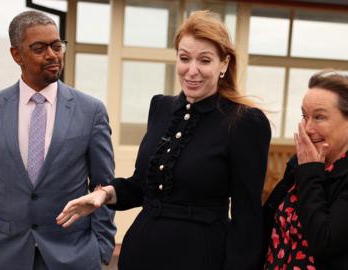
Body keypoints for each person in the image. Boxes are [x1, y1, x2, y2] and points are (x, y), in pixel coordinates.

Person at [56, 10, 271, 270]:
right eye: (184, 58)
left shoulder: (246, 122)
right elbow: (140, 185)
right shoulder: (161, 107)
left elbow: (247, 217)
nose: (192, 70)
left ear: (224, 64)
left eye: (204, 60)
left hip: (201, 258)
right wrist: (103, 195)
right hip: (141, 253)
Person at [0, 10, 116, 270]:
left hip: (75, 258)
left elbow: (104, 186)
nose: (53, 54)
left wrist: (101, 250)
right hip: (11, 259)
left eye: (57, 45)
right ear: (16, 55)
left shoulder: (91, 111)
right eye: (40, 48)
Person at [262, 70, 348, 269]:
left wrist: (311, 171)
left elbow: (323, 241)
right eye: (305, 116)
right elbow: (269, 220)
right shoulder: (301, 161)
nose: (308, 128)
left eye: (319, 117)